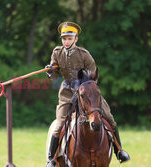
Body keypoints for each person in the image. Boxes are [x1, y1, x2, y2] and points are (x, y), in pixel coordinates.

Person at [45, 21, 130, 167]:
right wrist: (50, 71)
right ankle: (51, 159)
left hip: (87, 92)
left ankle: (119, 151)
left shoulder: (84, 54)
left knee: (110, 118)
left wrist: (83, 85)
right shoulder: (57, 52)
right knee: (59, 124)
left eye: (69, 38)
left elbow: (93, 77)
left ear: (76, 39)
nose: (66, 41)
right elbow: (54, 75)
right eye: (64, 38)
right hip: (67, 92)